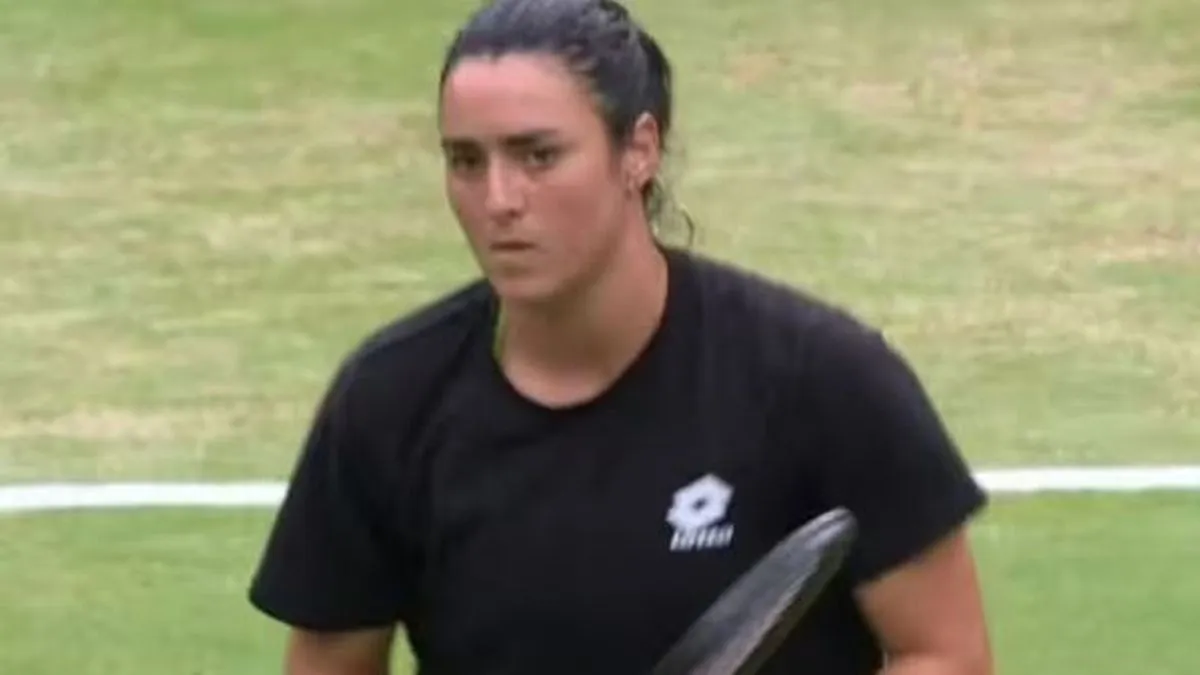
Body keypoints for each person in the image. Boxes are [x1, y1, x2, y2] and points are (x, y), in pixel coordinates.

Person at [247, 0, 995, 673]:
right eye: (466, 161)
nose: (498, 199)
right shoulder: (388, 402)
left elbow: (948, 652)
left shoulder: (822, 379)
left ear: (638, 150)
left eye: (538, 155)